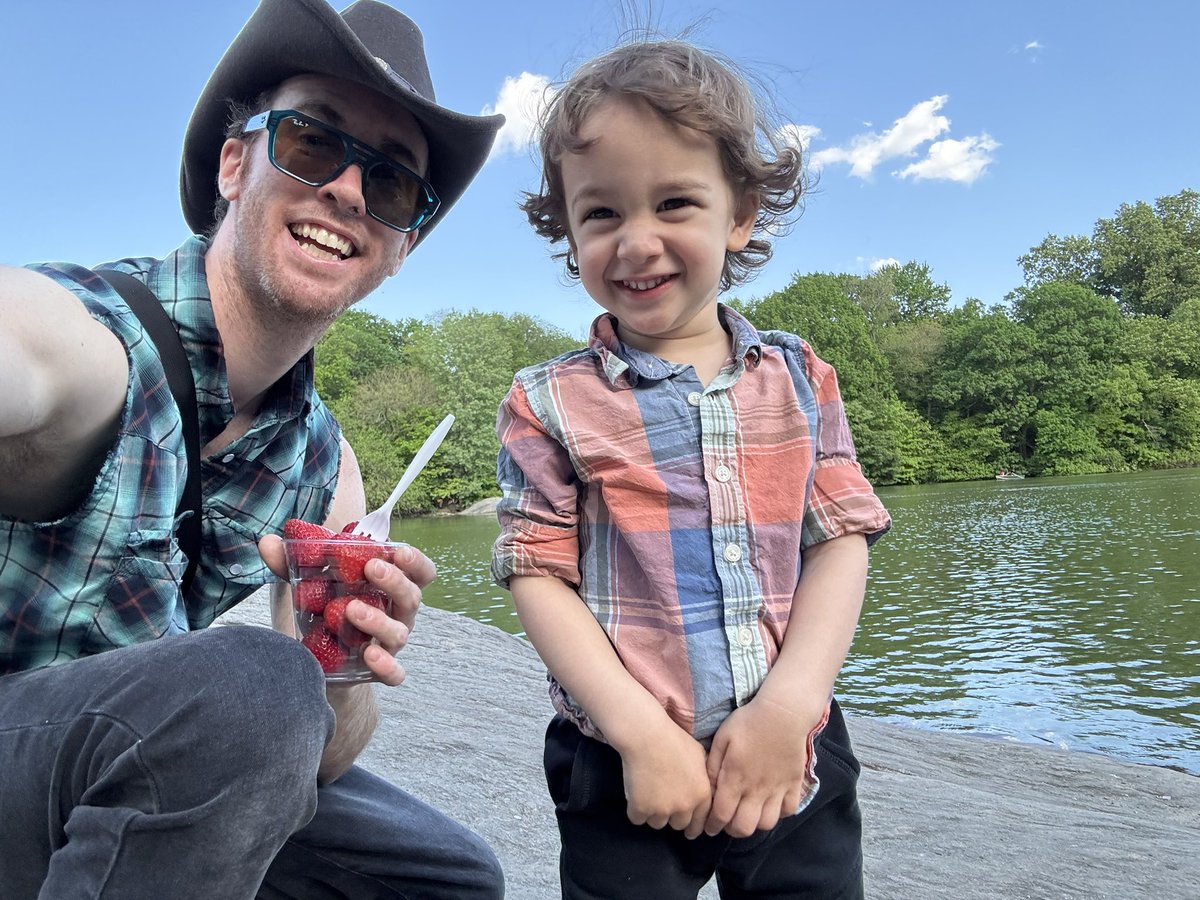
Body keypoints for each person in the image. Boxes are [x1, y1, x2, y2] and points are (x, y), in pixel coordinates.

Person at [0, 0, 506, 897]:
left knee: (448, 877)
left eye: (390, 186)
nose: (349, 190)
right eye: (314, 142)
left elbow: (320, 761)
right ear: (236, 163)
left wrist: (338, 667)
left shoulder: (325, 468)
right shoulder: (89, 342)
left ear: (400, 249)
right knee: (250, 687)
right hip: (16, 761)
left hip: (130, 780)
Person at [491, 39, 892, 899]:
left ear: (739, 215)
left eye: (674, 202)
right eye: (601, 214)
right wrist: (639, 734)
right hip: (619, 759)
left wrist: (789, 711)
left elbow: (841, 542)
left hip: (790, 746)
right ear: (568, 230)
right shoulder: (547, 403)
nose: (638, 242)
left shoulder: (799, 378)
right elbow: (536, 574)